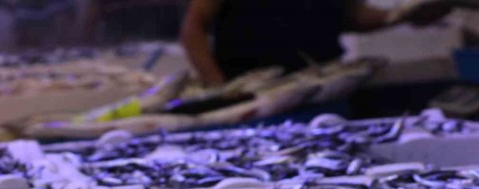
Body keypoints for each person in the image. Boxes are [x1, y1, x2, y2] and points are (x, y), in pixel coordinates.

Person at [181, 0, 455, 85]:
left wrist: (403, 15)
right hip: (254, 94)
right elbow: (194, 27)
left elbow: (352, 16)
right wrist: (218, 86)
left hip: (324, 87)